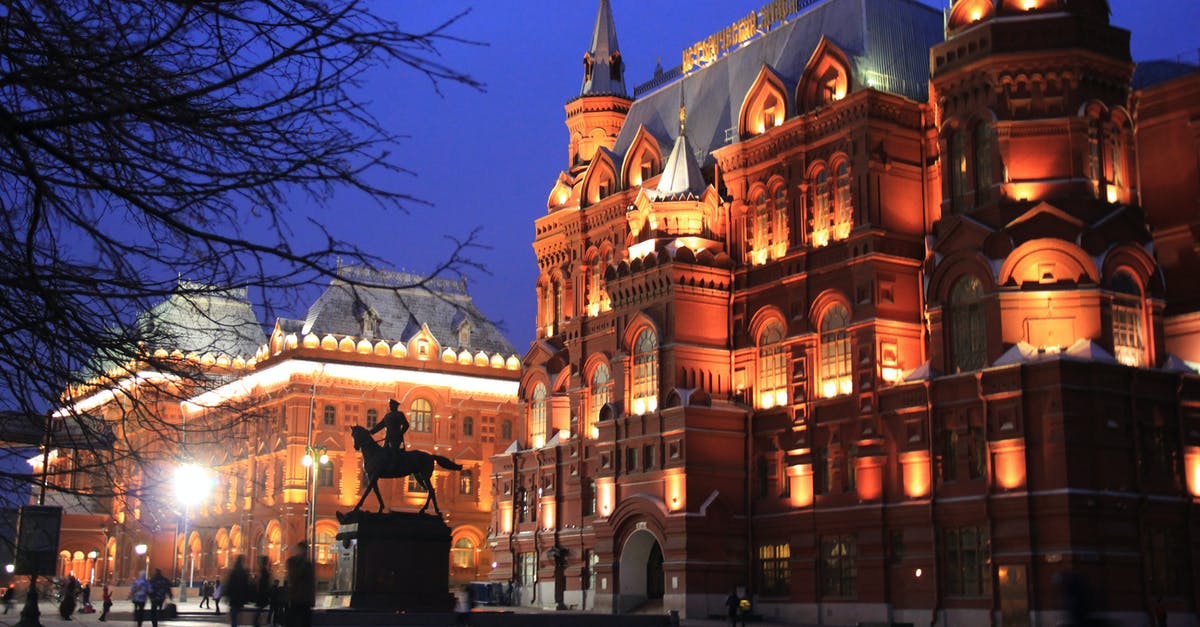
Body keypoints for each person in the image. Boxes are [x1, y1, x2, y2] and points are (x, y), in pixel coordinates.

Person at [285, 542, 315, 627]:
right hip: (295, 598)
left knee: (306, 622)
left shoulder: (308, 564)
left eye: (306, 550)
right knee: (292, 621)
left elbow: (311, 583)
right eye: (304, 549)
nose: (305, 552)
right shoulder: (292, 562)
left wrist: (312, 599)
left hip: (305, 600)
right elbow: (294, 576)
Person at [226, 555, 252, 627]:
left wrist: (228, 595)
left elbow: (230, 584)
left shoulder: (234, 571)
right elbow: (246, 585)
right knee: (236, 616)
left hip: (234, 598)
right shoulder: (243, 572)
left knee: (234, 617)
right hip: (239, 598)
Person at [254, 556, 271, 626]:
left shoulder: (262, 570)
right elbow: (263, 582)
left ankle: (257, 622)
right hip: (262, 592)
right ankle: (256, 622)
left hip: (262, 592)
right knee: (260, 609)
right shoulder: (263, 571)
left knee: (260, 609)